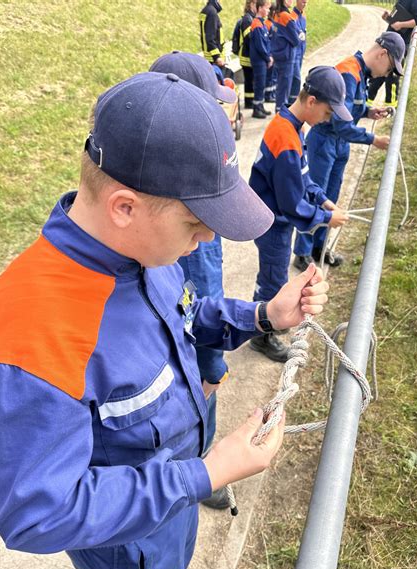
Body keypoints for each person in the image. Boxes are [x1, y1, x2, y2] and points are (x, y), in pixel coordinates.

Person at [0, 72, 330, 569]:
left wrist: (264, 315)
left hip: (173, 505)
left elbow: (186, 319)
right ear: (124, 206)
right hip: (130, 549)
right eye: (197, 223)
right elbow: (37, 512)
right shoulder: (32, 334)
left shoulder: (143, 254)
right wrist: (203, 474)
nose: (210, 239)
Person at [149, 50, 237, 511]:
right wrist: (211, 365)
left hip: (189, 333)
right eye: (213, 106)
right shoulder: (189, 211)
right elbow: (200, 290)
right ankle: (202, 473)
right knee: (194, 415)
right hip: (193, 350)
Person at [248, 66, 350, 362]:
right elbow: (292, 204)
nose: (326, 120)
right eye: (328, 113)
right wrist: (326, 219)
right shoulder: (287, 138)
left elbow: (302, 177)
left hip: (275, 218)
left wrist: (322, 199)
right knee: (273, 279)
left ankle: (262, 322)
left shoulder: (290, 125)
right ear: (311, 102)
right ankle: (262, 335)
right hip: (272, 223)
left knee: (272, 273)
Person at [293, 32, 405, 271]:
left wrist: (368, 112)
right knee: (316, 196)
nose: (387, 75)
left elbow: (350, 107)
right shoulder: (348, 72)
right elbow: (341, 124)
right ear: (382, 54)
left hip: (339, 144)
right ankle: (302, 252)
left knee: (331, 197)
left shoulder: (359, 73)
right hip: (325, 141)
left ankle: (319, 247)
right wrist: (373, 139)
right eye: (389, 67)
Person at [367, 0, 417, 107]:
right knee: (378, 72)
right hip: (390, 41)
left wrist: (401, 24)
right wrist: (388, 18)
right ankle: (367, 102)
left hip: (400, 45)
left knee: (392, 78)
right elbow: (398, 20)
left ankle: (390, 107)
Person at [270, 0, 299, 111]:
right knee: (285, 87)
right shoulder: (287, 17)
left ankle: (278, 109)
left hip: (278, 54)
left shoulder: (277, 14)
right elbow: (296, 40)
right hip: (287, 57)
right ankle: (281, 113)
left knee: (280, 87)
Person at [250, 0, 274, 119]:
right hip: (259, 60)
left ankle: (260, 106)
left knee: (262, 84)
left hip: (262, 60)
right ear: (260, 9)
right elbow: (260, 45)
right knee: (259, 84)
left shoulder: (261, 23)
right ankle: (256, 108)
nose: (268, 11)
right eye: (267, 8)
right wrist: (267, 57)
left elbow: (266, 42)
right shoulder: (257, 24)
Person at [237, 0, 257, 109]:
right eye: (255, 4)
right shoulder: (247, 19)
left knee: (251, 80)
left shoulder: (251, 18)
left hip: (249, 56)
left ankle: (251, 101)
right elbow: (249, 38)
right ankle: (249, 102)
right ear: (250, 5)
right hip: (246, 57)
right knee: (249, 81)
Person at [289, 0, 307, 103]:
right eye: (303, 2)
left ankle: (293, 100)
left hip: (300, 53)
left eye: (306, 2)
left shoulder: (303, 16)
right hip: (294, 53)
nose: (304, 4)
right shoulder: (292, 16)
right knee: (296, 78)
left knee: (296, 77)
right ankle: (293, 101)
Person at [200, 0, 225, 69]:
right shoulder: (212, 13)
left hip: (209, 57)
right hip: (214, 60)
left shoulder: (206, 10)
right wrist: (217, 57)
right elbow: (210, 38)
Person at [264, 3, 278, 103]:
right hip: (271, 54)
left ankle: (272, 93)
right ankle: (269, 95)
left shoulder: (272, 24)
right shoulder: (268, 24)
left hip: (274, 54)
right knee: (270, 76)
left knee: (273, 76)